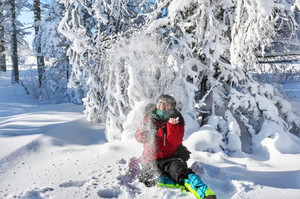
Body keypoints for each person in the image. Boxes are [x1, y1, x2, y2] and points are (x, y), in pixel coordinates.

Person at [135, 94, 216, 199]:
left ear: (172, 106)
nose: (163, 106)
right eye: (160, 102)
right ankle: (176, 181)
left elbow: (175, 142)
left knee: (182, 173)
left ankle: (206, 194)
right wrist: (143, 131)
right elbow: (139, 138)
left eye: (166, 103)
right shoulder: (148, 118)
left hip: (171, 158)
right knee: (146, 178)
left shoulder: (177, 119)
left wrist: (172, 126)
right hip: (152, 159)